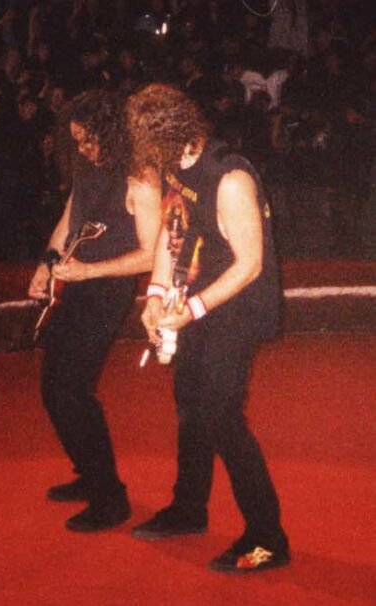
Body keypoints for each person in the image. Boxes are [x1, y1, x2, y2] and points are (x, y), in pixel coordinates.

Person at [126, 83, 289, 573]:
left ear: (167, 135)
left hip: (239, 306)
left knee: (221, 416)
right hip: (199, 300)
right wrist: (156, 295)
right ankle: (189, 509)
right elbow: (171, 232)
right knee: (190, 405)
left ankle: (268, 538)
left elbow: (251, 265)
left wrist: (192, 309)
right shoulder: (177, 165)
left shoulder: (229, 177)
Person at [28, 89, 161, 532]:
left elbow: (151, 253)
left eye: (88, 139)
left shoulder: (140, 176)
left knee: (70, 392)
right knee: (56, 389)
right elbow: (72, 215)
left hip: (107, 288)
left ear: (111, 133)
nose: (82, 148)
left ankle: (110, 497)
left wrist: (89, 271)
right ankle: (90, 474)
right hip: (81, 282)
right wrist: (47, 263)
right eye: (77, 141)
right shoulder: (89, 166)